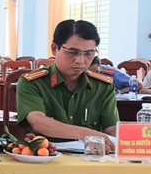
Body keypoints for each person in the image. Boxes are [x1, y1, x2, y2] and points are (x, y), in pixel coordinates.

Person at [16, 20, 117, 150]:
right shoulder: (33, 83)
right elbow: (38, 122)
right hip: (47, 156)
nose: (80, 60)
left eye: (88, 53)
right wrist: (84, 133)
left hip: (90, 157)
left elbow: (112, 128)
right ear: (55, 49)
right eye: (72, 52)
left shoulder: (103, 86)